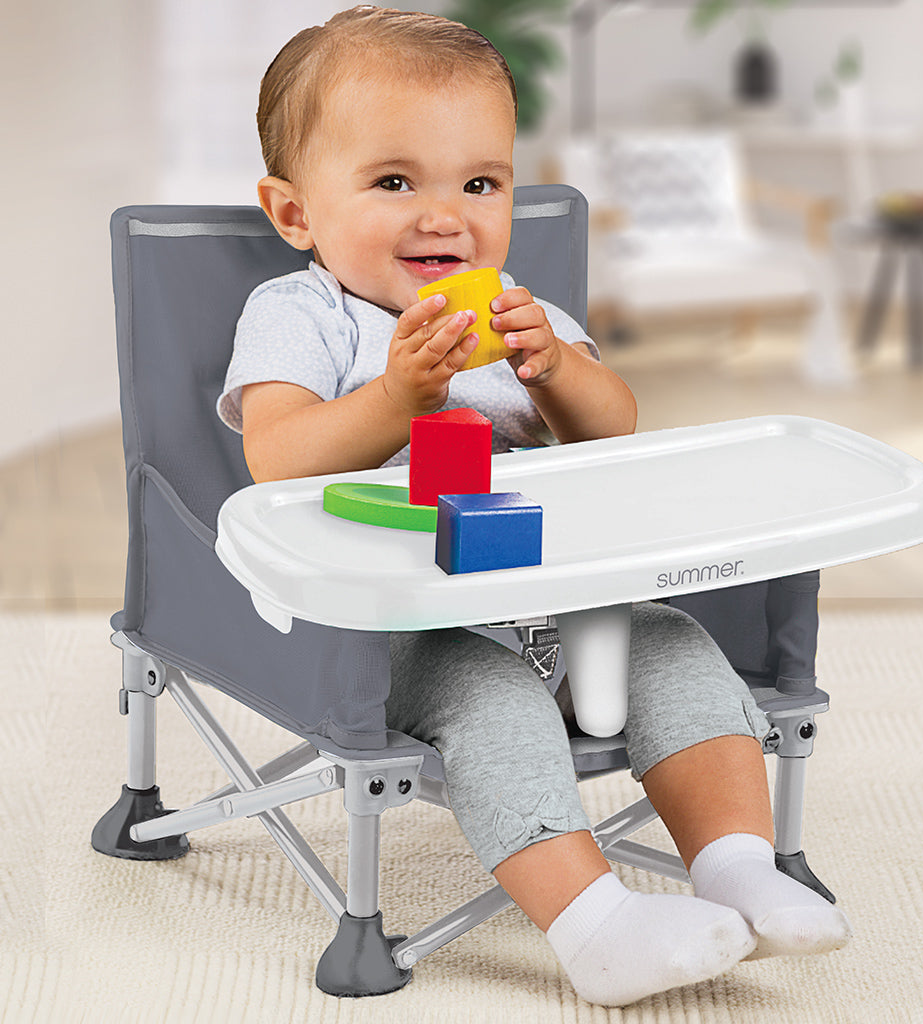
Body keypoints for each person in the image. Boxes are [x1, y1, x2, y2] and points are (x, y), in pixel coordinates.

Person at [217, 6, 851, 1007]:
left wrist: (555, 369)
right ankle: (597, 926)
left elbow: (613, 432)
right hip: (397, 623)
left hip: (558, 599)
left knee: (675, 645)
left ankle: (737, 869)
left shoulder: (523, 314)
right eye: (393, 181)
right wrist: (394, 401)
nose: (444, 215)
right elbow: (273, 459)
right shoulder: (300, 316)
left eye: (480, 182)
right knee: (494, 700)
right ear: (295, 214)